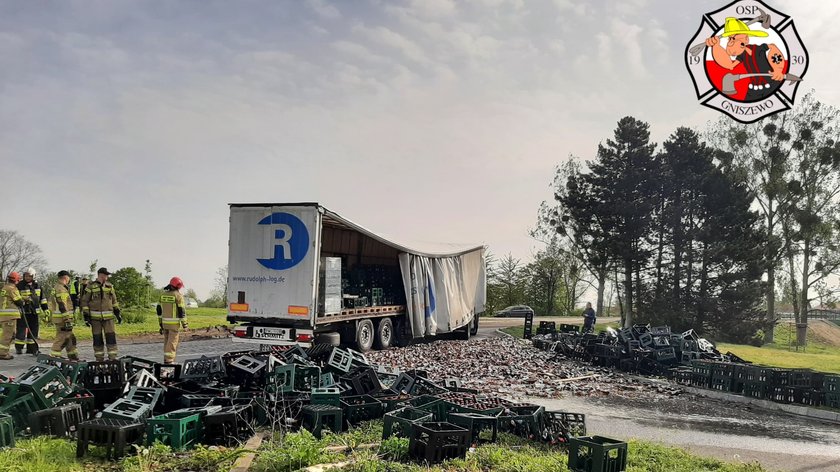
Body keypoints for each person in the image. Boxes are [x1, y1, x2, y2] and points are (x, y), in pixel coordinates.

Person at [705, 17, 786, 100]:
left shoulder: (759, 49)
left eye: (733, 38)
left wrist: (778, 70)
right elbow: (729, 65)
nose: (730, 43)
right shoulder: (742, 55)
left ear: (746, 39)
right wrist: (716, 46)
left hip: (773, 86)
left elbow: (773, 47)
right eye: (729, 38)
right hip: (753, 91)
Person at [80, 267, 122, 361]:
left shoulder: (109, 286)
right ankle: (99, 359)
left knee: (111, 338)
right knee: (97, 339)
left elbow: (114, 301)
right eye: (105, 275)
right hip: (95, 319)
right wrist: (86, 316)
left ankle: (113, 358)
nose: (106, 277)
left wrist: (117, 313)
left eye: (107, 275)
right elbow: (84, 301)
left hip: (109, 319)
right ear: (100, 275)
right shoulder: (90, 286)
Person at [16, 267, 48, 355]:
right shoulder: (19, 285)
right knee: (21, 331)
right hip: (23, 312)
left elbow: (42, 299)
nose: (27, 278)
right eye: (26, 276)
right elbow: (16, 298)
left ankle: (32, 349)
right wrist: (24, 300)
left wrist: (46, 309)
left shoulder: (38, 286)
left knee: (33, 331)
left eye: (29, 276)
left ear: (33, 276)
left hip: (34, 312)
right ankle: (19, 348)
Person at [157, 277, 188, 364]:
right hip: (174, 325)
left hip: (164, 324)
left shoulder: (162, 295)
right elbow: (181, 311)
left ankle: (166, 360)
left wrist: (160, 324)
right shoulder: (178, 296)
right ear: (177, 286)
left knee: (167, 342)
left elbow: (159, 310)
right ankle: (169, 362)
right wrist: (185, 324)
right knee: (172, 343)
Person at [50, 270, 79, 360]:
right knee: (62, 337)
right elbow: (62, 304)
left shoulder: (57, 287)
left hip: (59, 318)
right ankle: (54, 356)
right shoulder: (61, 289)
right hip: (63, 319)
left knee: (70, 337)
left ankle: (73, 356)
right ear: (66, 278)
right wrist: (67, 319)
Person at [0, 272, 25, 360]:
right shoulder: (12, 288)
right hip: (9, 316)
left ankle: (5, 352)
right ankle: (2, 353)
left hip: (6, 316)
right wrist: (25, 301)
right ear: (16, 280)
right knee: (8, 335)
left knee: (11, 334)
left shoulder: (5, 287)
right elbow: (19, 301)